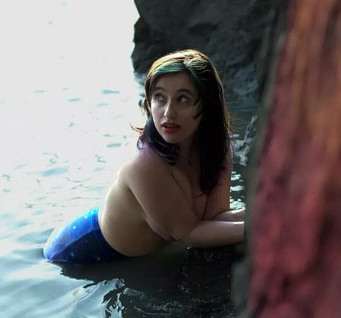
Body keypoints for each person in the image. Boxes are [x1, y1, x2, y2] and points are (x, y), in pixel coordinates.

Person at [43, 49, 245, 264]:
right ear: (149, 103)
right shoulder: (143, 164)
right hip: (80, 252)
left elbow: (214, 218)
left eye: (183, 99)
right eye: (160, 98)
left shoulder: (218, 146)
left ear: (207, 105)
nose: (168, 113)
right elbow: (190, 234)